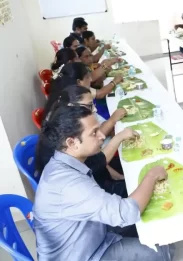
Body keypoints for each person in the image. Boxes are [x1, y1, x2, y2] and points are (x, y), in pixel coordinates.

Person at [34, 105, 174, 261]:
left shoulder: (64, 161)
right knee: (163, 250)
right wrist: (152, 175)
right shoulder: (68, 184)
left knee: (152, 222)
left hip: (88, 236)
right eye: (94, 133)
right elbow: (127, 213)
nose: (101, 135)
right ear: (72, 143)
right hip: (83, 254)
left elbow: (100, 162)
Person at [37, 86, 129, 197]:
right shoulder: (66, 135)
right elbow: (95, 163)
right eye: (89, 105)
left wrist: (117, 176)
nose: (94, 109)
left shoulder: (66, 124)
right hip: (94, 187)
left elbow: (94, 159)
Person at [43, 63, 123, 120]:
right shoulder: (76, 102)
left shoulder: (68, 90)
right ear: (79, 82)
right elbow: (98, 134)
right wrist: (113, 120)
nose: (91, 79)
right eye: (88, 77)